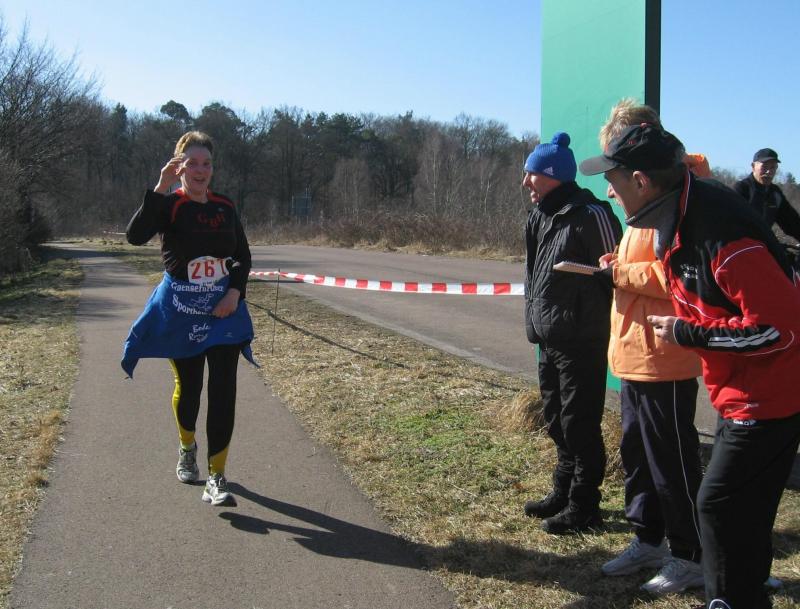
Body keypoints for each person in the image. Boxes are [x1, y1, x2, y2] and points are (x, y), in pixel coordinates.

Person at [580, 123, 800, 609]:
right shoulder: (678, 214)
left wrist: (688, 333)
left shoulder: (720, 233)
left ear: (641, 181)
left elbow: (778, 330)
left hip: (769, 393)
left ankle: (728, 595)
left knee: (718, 505)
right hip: (740, 388)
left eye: (612, 180)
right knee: (744, 510)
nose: (608, 191)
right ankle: (746, 590)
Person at [593, 101, 704, 596]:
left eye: (615, 163)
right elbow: (644, 264)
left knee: (673, 463)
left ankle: (691, 555)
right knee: (637, 455)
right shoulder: (642, 201)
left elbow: (681, 276)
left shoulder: (683, 196)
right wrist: (616, 261)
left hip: (667, 357)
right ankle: (648, 540)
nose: (610, 185)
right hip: (633, 355)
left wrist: (620, 273)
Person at [123, 130, 255, 507]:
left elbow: (242, 256)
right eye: (192, 163)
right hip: (181, 310)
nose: (200, 170)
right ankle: (187, 447)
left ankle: (216, 476)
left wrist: (234, 292)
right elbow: (135, 236)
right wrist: (160, 186)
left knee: (224, 388)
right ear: (179, 166)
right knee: (191, 386)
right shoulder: (170, 204)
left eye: (206, 164)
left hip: (223, 310)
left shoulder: (224, 205)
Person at [521, 131, 622, 534]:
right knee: (556, 420)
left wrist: (593, 294)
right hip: (549, 338)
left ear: (552, 175)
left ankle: (584, 505)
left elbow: (616, 273)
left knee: (581, 424)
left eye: (531, 174)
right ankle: (562, 491)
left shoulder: (591, 214)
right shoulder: (539, 216)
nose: (525, 182)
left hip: (583, 338)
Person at [734, 148, 800, 243]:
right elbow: (730, 222)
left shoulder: (775, 193)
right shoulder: (742, 189)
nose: (768, 171)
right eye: (764, 167)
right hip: (740, 244)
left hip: (764, 244)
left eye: (772, 167)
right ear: (753, 166)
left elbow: (792, 223)